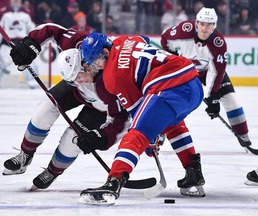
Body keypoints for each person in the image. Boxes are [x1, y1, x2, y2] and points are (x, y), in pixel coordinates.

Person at [78, 31, 205, 205]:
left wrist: (150, 140)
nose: (96, 66)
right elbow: (144, 41)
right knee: (173, 124)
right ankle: (193, 172)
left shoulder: (112, 77)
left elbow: (138, 110)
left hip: (168, 86)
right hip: (193, 85)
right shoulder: (123, 40)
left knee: (137, 133)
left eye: (96, 61)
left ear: (106, 53)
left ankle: (113, 182)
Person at [2, 23, 131, 190]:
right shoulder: (82, 48)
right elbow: (52, 29)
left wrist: (103, 137)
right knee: (44, 110)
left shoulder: (113, 83)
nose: (78, 81)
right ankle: (25, 155)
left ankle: (52, 171)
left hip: (102, 108)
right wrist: (30, 45)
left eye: (78, 76)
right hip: (78, 91)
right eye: (73, 78)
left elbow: (122, 119)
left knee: (72, 140)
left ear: (88, 66)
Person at [160, 7, 252, 149]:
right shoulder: (185, 29)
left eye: (209, 25)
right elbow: (165, 37)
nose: (204, 28)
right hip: (186, 72)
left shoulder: (218, 43)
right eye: (202, 23)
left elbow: (217, 71)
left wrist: (212, 96)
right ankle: (159, 131)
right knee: (172, 100)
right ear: (196, 23)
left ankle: (243, 136)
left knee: (231, 100)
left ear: (214, 26)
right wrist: (171, 57)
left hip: (208, 72)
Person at [0, 0, 38, 88]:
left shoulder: (26, 13)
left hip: (22, 44)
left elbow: (31, 28)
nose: (16, 1)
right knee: (2, 61)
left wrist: (34, 41)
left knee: (29, 62)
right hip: (8, 43)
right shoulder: (4, 12)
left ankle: (33, 82)